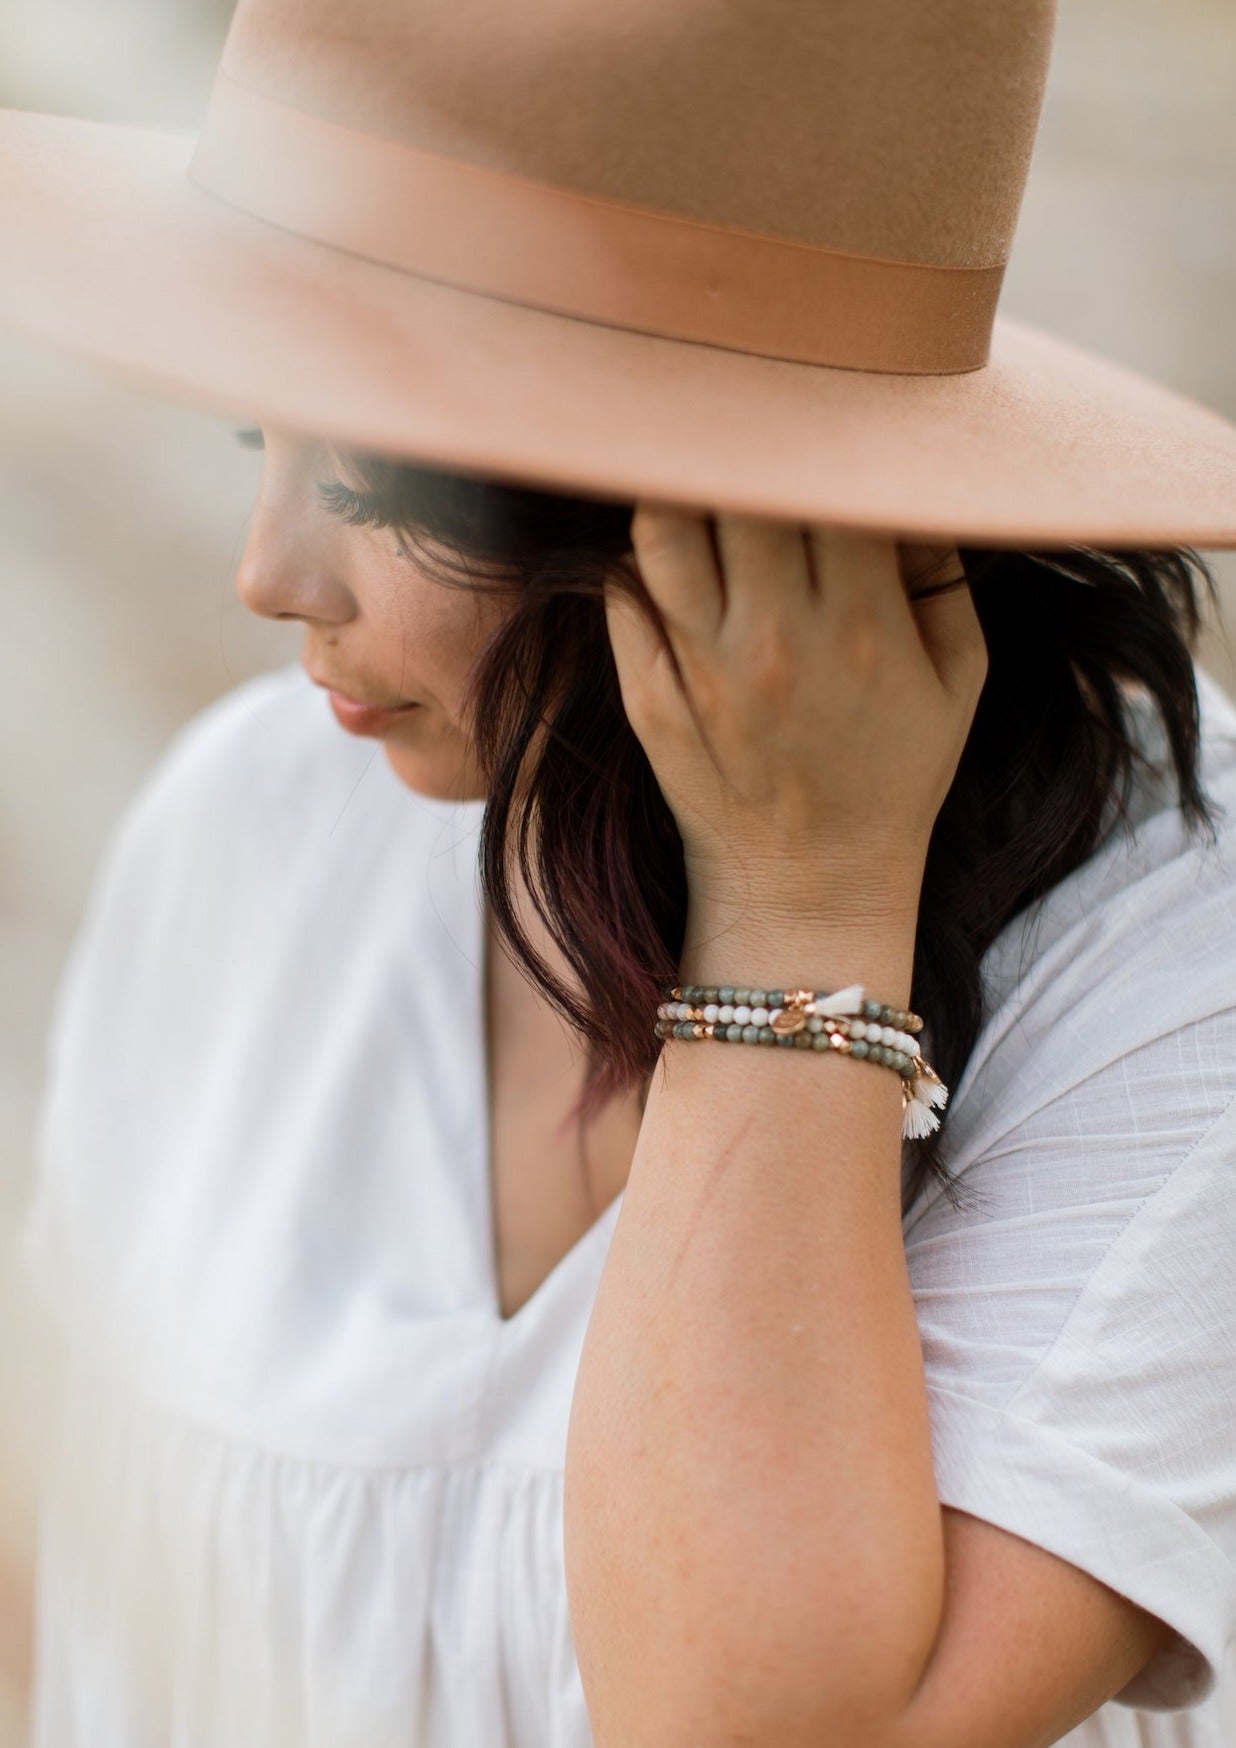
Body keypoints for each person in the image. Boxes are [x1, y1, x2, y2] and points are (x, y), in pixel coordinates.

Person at [3, 0, 1236, 1744]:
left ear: (740, 505)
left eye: (375, 478)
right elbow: (68, 1599)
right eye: (251, 437)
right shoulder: (251, 818)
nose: (271, 575)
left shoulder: (1179, 995)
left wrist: (803, 898)